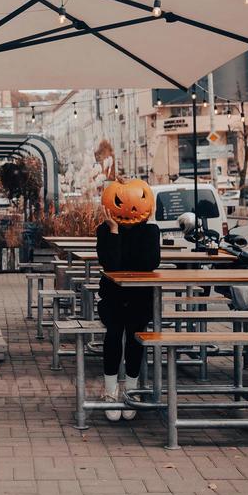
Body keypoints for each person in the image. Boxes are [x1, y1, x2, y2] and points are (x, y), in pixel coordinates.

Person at [96, 180, 160, 422]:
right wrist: (113, 230)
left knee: (135, 338)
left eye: (137, 203)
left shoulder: (150, 231)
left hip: (140, 298)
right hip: (112, 297)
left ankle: (131, 389)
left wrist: (148, 224)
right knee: (113, 335)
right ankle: (111, 391)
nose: (130, 208)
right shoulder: (104, 230)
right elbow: (111, 265)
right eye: (121, 203)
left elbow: (149, 264)